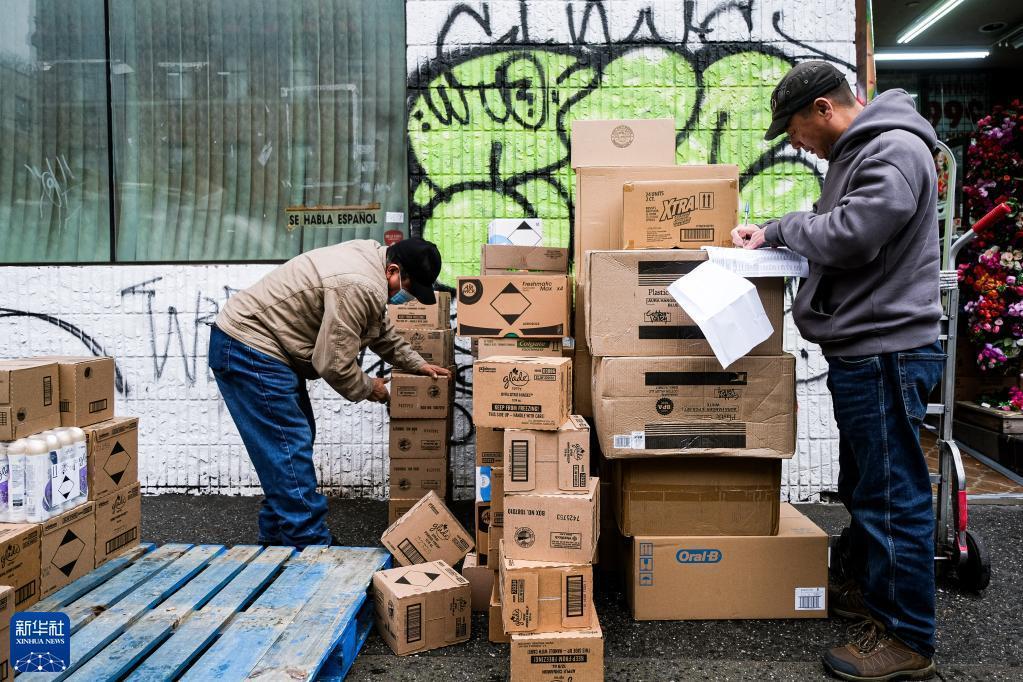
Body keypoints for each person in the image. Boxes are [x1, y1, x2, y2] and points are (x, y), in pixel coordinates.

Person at [733, 61, 943, 681]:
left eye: (794, 128)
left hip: (884, 351)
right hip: (869, 349)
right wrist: (782, 235)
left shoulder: (891, 150)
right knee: (866, 486)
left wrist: (785, 227)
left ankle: (906, 636)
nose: (796, 143)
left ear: (823, 109)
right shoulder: (864, 153)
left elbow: (852, 236)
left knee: (890, 495)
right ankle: (873, 593)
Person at [208, 237, 451, 550]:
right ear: (392, 270)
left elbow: (379, 330)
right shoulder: (360, 284)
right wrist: (371, 388)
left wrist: (417, 364)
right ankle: (309, 542)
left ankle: (277, 538)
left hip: (262, 348)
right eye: (407, 288)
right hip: (250, 348)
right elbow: (333, 364)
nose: (404, 297)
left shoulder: (370, 260)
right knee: (288, 445)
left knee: (288, 445)